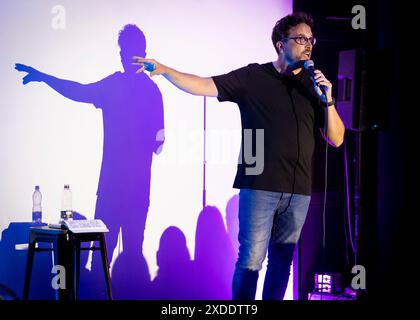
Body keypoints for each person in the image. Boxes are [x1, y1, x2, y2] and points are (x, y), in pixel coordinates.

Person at [133, 12, 345, 300]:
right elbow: (205, 84)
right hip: (259, 186)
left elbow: (336, 138)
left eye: (311, 40)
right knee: (250, 263)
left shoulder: (313, 86)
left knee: (282, 263)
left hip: (299, 192)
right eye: (300, 38)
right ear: (281, 44)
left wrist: (328, 99)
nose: (308, 45)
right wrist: (166, 70)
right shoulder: (254, 77)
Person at [15, 25, 164, 297]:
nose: (122, 56)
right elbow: (159, 144)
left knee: (102, 259)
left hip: (112, 189)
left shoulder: (117, 86)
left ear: (139, 53)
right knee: (131, 258)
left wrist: (44, 77)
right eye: (121, 51)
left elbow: (79, 91)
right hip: (135, 191)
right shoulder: (151, 92)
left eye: (125, 51)